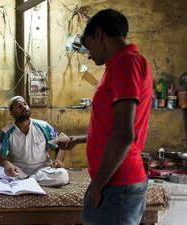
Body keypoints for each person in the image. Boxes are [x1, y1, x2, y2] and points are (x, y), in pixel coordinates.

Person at [59, 9, 153, 225]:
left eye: (88, 45)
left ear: (99, 34)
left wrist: (98, 186)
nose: (89, 54)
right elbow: (113, 127)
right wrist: (80, 140)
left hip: (116, 182)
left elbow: (122, 135)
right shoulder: (123, 64)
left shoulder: (124, 64)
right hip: (116, 181)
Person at [0, 96, 70, 187]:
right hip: (18, 170)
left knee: (62, 174)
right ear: (11, 112)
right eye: (19, 106)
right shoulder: (6, 132)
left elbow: (59, 147)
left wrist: (58, 160)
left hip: (42, 170)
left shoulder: (44, 126)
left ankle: (25, 181)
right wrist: (7, 164)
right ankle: (30, 180)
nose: (24, 107)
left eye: (25, 104)